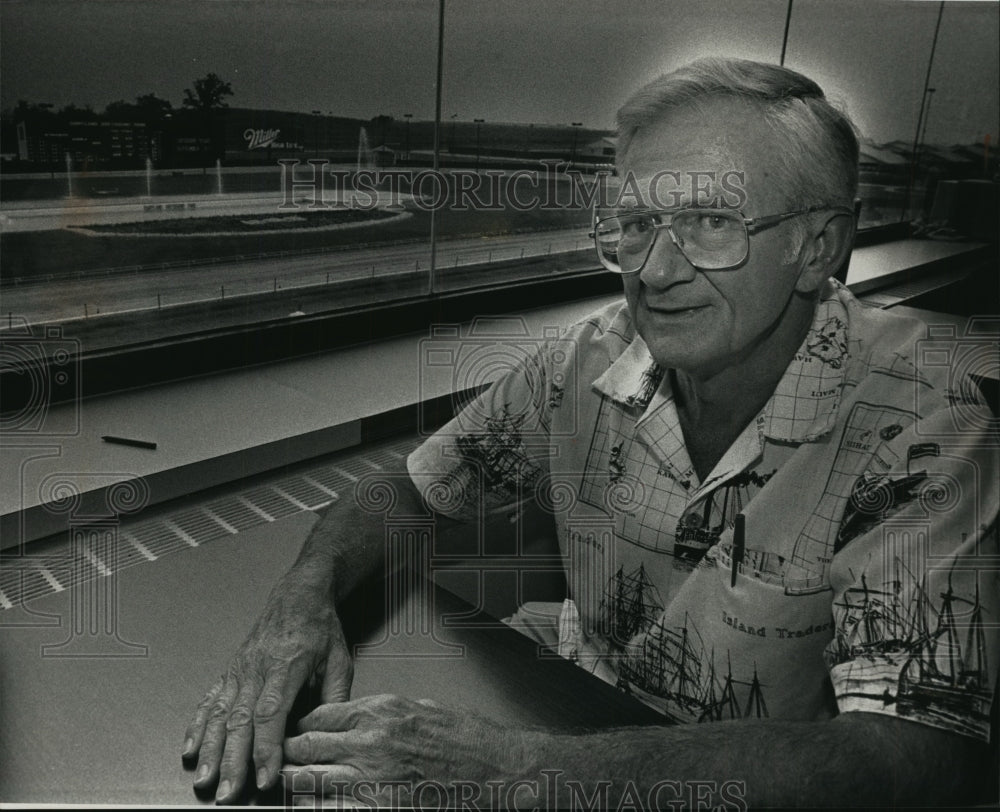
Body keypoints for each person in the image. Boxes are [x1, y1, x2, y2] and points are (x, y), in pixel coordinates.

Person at [182, 58, 998, 807]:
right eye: (637, 223)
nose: (655, 269)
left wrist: (519, 773)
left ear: (819, 247)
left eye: (712, 221)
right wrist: (301, 600)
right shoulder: (588, 359)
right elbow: (410, 488)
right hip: (567, 714)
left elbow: (917, 755)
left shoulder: (926, 423)